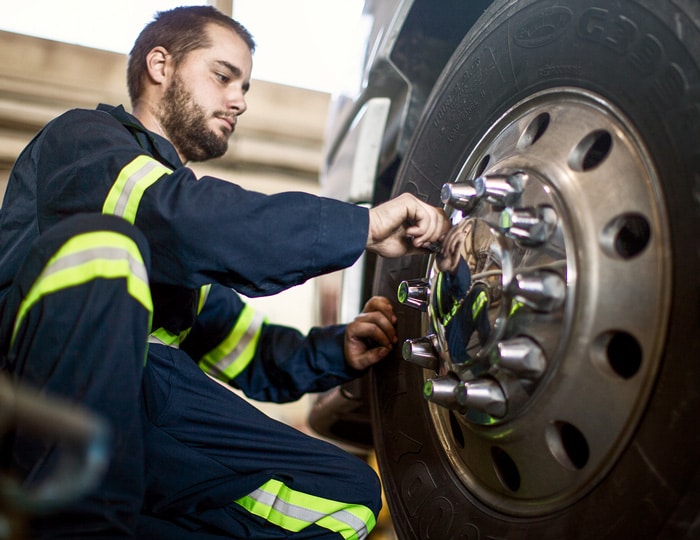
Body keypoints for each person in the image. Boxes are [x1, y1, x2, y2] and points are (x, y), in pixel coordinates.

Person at [0, 5, 449, 540]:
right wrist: (363, 225)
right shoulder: (86, 141)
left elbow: (242, 344)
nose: (238, 101)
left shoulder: (183, 246)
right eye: (222, 76)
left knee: (346, 496)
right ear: (160, 65)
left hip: (151, 415)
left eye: (246, 88)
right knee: (107, 246)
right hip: (45, 396)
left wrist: (339, 350)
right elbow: (184, 221)